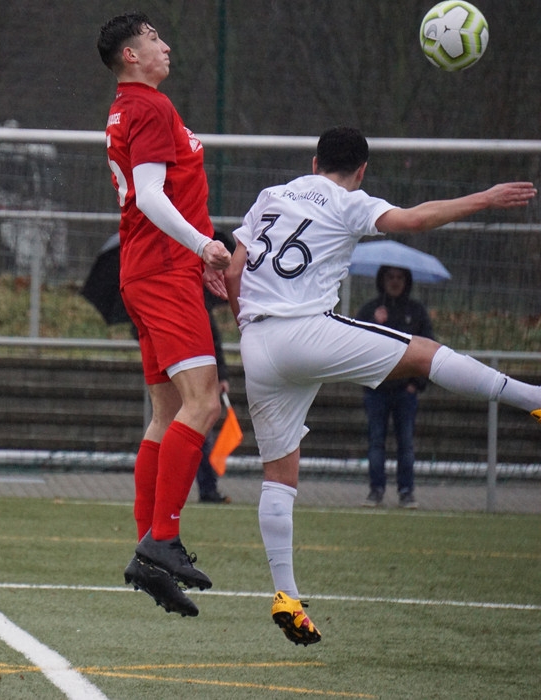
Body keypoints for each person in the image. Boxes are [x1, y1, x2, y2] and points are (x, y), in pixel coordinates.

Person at [223, 126, 538, 646]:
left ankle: (286, 595)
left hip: (256, 343)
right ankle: (532, 399)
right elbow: (412, 220)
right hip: (305, 328)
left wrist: (247, 326)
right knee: (422, 354)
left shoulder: (270, 197)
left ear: (314, 159)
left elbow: (235, 274)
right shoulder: (349, 200)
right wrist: (485, 197)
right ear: (362, 170)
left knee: (279, 476)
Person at [98, 12, 232, 618]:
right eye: (154, 38)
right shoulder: (149, 107)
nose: (166, 45)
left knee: (167, 412)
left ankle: (148, 553)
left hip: (144, 270)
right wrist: (203, 245)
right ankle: (163, 539)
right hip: (162, 271)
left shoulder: (131, 107)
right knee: (203, 405)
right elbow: (152, 195)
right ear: (131, 54)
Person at [356, 266, 434, 508]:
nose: (395, 282)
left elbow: (428, 347)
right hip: (377, 390)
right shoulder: (370, 310)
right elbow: (355, 344)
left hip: (405, 392)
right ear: (382, 280)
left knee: (406, 444)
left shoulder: (417, 312)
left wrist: (416, 385)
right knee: (376, 442)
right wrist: (373, 323)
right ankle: (376, 490)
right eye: (390, 277)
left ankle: (406, 491)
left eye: (400, 277)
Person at [196, 309, 232, 504]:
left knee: (201, 439)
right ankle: (207, 488)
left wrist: (222, 374)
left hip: (199, 379)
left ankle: (208, 488)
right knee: (200, 438)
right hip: (192, 379)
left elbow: (214, 342)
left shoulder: (200, 309)